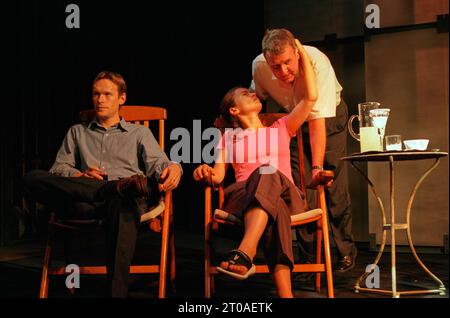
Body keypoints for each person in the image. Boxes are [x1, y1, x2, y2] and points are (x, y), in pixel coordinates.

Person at [23, 71, 182, 297]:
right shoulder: (77, 132)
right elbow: (58, 170)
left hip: (122, 202)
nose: (100, 99)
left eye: (107, 94)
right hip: (84, 201)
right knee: (32, 177)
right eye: (96, 94)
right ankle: (111, 187)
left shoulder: (139, 133)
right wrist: (80, 175)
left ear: (121, 98)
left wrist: (174, 167)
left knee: (123, 202)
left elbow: (160, 164)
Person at [193, 39, 317, 298]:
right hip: (243, 196)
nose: (253, 93)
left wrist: (301, 54)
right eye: (245, 93)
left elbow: (310, 97)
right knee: (274, 209)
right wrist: (204, 172)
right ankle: (286, 295)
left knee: (267, 172)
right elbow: (217, 175)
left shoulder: (283, 127)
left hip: (287, 193)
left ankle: (245, 251)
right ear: (234, 109)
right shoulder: (228, 138)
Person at [250, 28, 356, 273]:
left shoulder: (317, 62)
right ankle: (310, 256)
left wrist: (318, 167)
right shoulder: (259, 66)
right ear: (267, 61)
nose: (284, 71)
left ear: (296, 52)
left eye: (288, 62)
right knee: (299, 188)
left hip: (327, 121)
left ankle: (343, 252)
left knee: (331, 186)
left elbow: (317, 121)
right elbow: (256, 102)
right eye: (276, 66)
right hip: (293, 123)